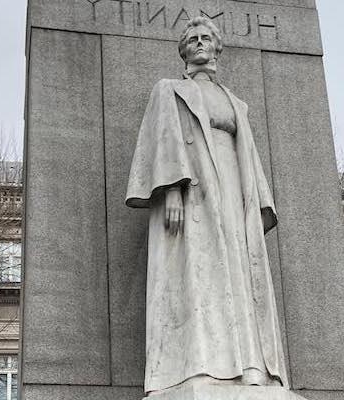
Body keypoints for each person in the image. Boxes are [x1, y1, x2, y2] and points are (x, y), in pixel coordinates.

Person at [126, 16, 287, 395]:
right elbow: (162, 141)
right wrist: (170, 191)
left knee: (240, 278)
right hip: (194, 192)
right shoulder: (168, 90)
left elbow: (247, 156)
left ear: (217, 47)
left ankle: (251, 368)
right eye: (193, 39)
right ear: (184, 50)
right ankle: (198, 367)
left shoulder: (236, 104)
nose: (200, 43)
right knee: (198, 278)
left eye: (206, 38)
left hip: (234, 195)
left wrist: (257, 206)